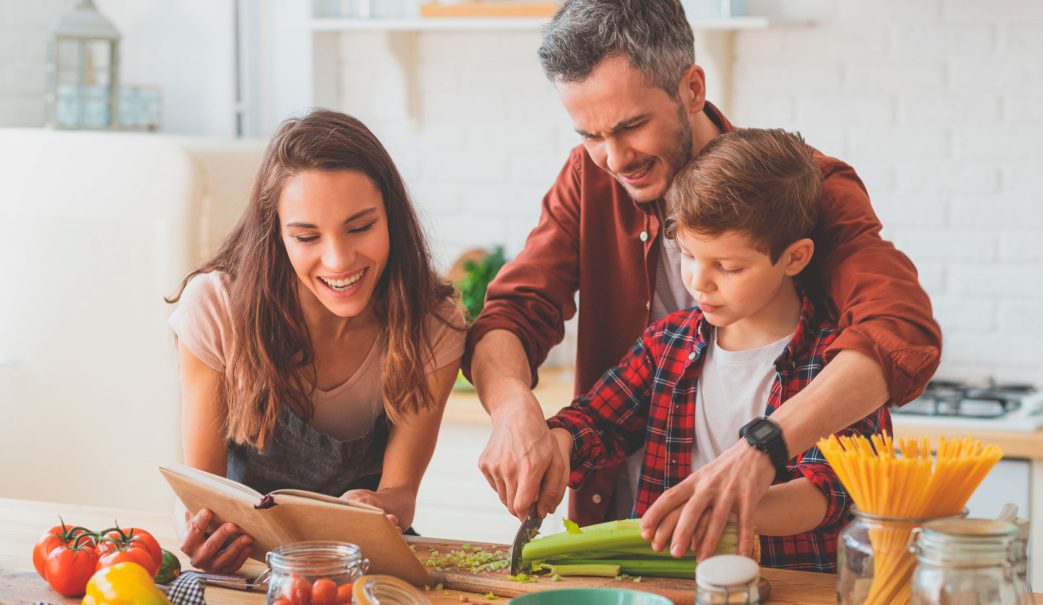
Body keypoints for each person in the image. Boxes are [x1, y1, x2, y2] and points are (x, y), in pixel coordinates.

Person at [465, 0, 940, 561]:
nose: (613, 159)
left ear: (691, 89)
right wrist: (516, 410)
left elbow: (899, 331)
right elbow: (513, 313)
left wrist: (761, 451)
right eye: (591, 134)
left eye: (631, 126)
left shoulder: (803, 189)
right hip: (635, 540)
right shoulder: (589, 179)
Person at [546, 128, 891, 571]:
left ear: (794, 258)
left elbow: (830, 491)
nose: (698, 282)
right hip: (670, 592)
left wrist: (722, 506)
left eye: (727, 267)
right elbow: (594, 422)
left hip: (786, 590)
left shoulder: (839, 366)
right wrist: (556, 444)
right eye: (688, 255)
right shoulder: (665, 344)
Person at [167, 110, 465, 573]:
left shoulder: (432, 324)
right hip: (250, 568)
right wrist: (200, 533)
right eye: (307, 236)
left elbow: (402, 494)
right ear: (276, 235)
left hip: (367, 565)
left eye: (361, 227)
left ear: (392, 216)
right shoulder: (217, 308)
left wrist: (379, 503)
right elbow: (204, 490)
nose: (339, 260)